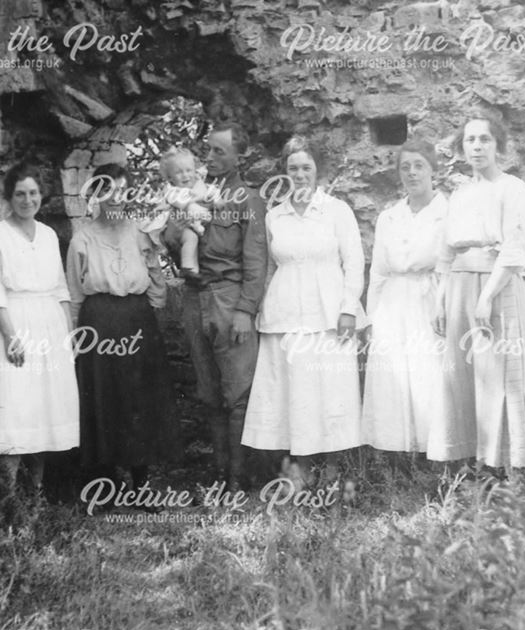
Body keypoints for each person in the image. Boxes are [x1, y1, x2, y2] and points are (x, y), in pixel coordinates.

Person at [241, 135, 366, 471]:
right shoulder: (274, 216)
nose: (299, 174)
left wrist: (347, 309)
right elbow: (269, 267)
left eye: (306, 167)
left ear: (317, 171)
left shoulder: (337, 211)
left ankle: (336, 469)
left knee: (330, 388)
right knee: (293, 392)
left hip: (329, 315)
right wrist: (262, 312)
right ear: (284, 172)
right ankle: (299, 469)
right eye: (292, 168)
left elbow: (353, 263)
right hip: (285, 315)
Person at [428, 115, 525, 472]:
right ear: (462, 148)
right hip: (460, 288)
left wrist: (487, 297)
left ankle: (505, 465)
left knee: (501, 375)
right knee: (461, 374)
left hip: (497, 287)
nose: (477, 146)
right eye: (470, 140)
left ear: (498, 146)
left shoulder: (512, 188)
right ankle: (469, 463)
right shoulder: (460, 194)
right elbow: (446, 253)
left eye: (485, 140)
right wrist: (441, 299)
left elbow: (514, 249)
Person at [161, 123, 268, 490]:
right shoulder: (192, 195)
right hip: (195, 299)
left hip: (229, 299)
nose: (210, 157)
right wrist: (180, 220)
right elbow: (171, 245)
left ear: (240, 156)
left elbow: (256, 261)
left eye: (219, 151)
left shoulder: (248, 200)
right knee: (208, 393)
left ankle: (239, 476)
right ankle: (220, 473)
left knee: (237, 393)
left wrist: (245, 311)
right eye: (208, 150)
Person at [67, 163, 181, 493]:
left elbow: (155, 275)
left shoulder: (139, 233)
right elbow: (74, 292)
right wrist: (74, 337)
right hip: (98, 320)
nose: (114, 198)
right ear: (95, 195)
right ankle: (104, 483)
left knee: (138, 397)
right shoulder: (82, 240)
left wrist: (148, 312)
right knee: (102, 397)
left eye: (120, 191)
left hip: (135, 318)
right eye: (106, 191)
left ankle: (140, 483)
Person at [0, 162, 79, 498]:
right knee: (15, 408)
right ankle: (7, 500)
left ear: (41, 196)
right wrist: (11, 336)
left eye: (33, 193)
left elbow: (61, 290)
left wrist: (68, 337)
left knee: (44, 409)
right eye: (20, 193)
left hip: (50, 329)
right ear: (9, 196)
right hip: (14, 328)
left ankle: (34, 495)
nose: (27, 199)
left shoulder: (49, 235)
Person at [361, 140, 447, 458]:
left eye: (419, 165)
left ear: (433, 169)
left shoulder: (447, 212)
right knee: (392, 375)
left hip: (431, 300)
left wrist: (445, 304)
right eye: (405, 167)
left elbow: (453, 267)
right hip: (393, 303)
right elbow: (379, 273)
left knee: (430, 375)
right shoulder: (390, 217)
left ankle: (437, 453)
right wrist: (372, 318)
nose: (412, 173)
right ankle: (396, 453)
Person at [150, 147, 219, 276]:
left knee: (197, 241)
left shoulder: (200, 185)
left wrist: (217, 199)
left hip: (196, 225)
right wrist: (189, 206)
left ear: (195, 170)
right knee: (190, 239)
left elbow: (211, 194)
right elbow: (177, 200)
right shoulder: (172, 190)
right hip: (178, 228)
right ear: (170, 178)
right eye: (179, 172)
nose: (185, 175)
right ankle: (189, 269)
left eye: (189, 170)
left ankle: (196, 271)